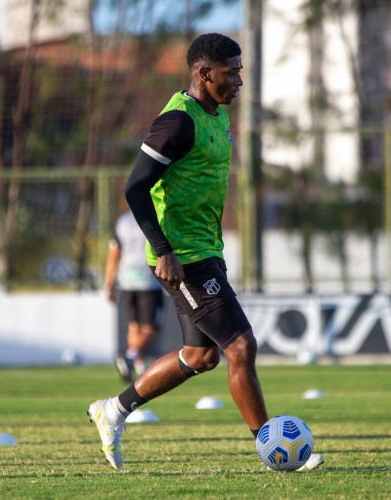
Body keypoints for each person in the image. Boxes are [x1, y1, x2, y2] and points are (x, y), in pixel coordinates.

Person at [87, 33, 323, 470]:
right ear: (204, 74)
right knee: (241, 346)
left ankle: (114, 409)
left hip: (206, 250)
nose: (238, 80)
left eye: (239, 70)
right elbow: (135, 187)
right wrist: (163, 250)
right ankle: (272, 447)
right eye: (231, 71)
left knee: (201, 356)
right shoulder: (177, 122)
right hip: (182, 257)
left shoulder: (217, 116)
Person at [105, 209, 165, 382]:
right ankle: (131, 358)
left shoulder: (122, 221)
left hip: (127, 280)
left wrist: (109, 285)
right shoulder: (155, 215)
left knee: (134, 325)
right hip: (148, 279)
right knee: (151, 327)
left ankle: (139, 366)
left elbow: (114, 254)